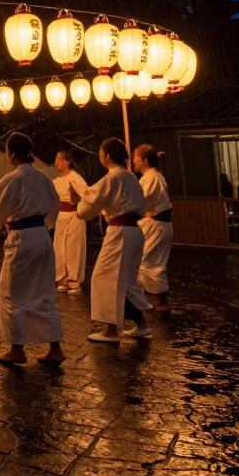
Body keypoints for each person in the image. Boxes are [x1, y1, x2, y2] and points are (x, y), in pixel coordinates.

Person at [0, 133, 65, 366]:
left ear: (11, 154)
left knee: (11, 292)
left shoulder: (13, 178)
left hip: (22, 238)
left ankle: (16, 348)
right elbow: (55, 206)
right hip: (42, 236)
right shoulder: (43, 177)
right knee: (44, 290)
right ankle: (55, 347)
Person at [77, 137, 150, 342]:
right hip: (135, 231)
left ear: (107, 155)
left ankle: (110, 330)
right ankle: (141, 324)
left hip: (120, 233)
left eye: (101, 152)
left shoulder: (112, 177)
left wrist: (80, 211)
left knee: (105, 277)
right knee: (126, 280)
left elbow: (90, 201)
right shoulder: (131, 177)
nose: (100, 156)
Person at [134, 144, 173, 312]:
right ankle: (148, 299)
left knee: (148, 262)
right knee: (146, 262)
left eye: (135, 156)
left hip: (155, 225)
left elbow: (142, 201)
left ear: (143, 160)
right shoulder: (150, 177)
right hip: (155, 224)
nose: (133, 160)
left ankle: (160, 300)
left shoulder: (152, 178)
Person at [52, 148, 89, 295]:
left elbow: (87, 197)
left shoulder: (76, 178)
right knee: (60, 249)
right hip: (61, 217)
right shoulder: (57, 181)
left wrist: (77, 200)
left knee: (73, 249)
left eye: (59, 159)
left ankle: (74, 281)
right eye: (56, 159)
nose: (56, 162)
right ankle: (63, 279)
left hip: (74, 216)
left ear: (68, 161)